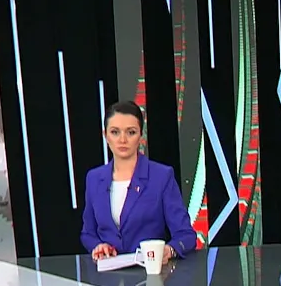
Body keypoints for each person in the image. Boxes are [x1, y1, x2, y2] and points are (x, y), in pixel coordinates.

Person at [80, 100, 197, 262]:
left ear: (141, 135)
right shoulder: (93, 178)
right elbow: (88, 234)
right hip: (107, 272)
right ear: (105, 135)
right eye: (115, 132)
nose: (122, 140)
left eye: (131, 132)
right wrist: (98, 246)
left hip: (149, 271)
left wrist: (169, 250)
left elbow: (186, 235)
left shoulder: (161, 176)